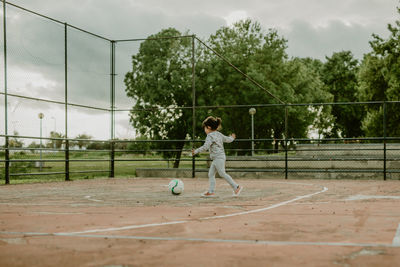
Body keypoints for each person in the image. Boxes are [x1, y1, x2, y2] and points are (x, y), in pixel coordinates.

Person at [192, 116, 243, 197]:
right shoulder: (219, 134)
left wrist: (196, 151)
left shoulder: (210, 136)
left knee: (222, 173)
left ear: (208, 127)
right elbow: (227, 139)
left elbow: (205, 147)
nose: (204, 130)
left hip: (218, 158)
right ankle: (211, 191)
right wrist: (232, 138)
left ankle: (236, 187)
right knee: (211, 174)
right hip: (219, 157)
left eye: (205, 128)